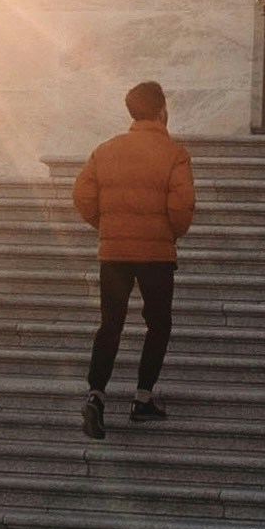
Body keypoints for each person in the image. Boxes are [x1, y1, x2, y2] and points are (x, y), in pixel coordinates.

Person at [72, 78, 194, 433]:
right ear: (162, 111)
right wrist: (170, 232)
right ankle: (142, 398)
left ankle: (95, 394)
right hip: (155, 253)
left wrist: (106, 224)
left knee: (110, 323)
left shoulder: (105, 150)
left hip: (114, 252)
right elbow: (183, 205)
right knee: (158, 323)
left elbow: (82, 194)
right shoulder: (174, 154)